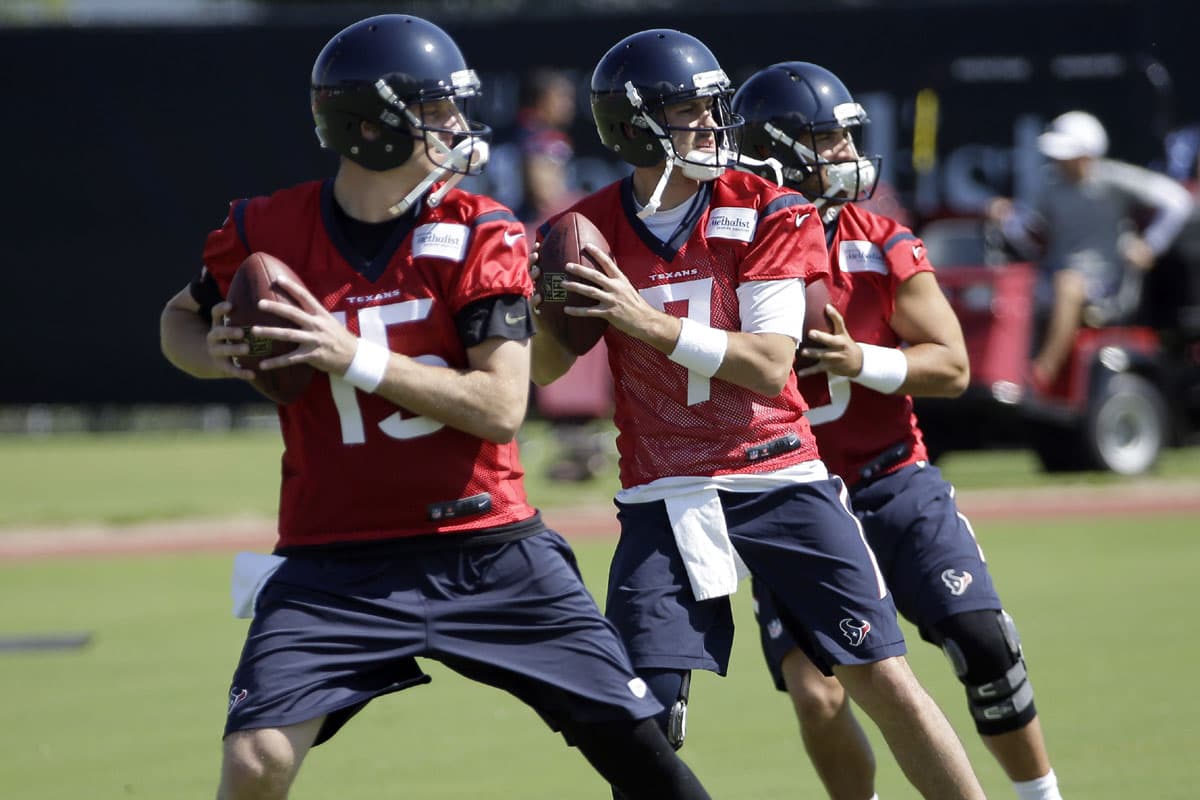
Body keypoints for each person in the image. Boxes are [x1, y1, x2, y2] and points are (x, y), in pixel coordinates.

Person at [158, 15, 714, 800]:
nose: (456, 125)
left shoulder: (480, 231)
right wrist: (214, 352)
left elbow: (500, 405)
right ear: (373, 126)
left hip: (486, 544)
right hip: (334, 557)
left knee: (641, 753)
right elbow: (179, 320)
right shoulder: (270, 229)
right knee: (256, 759)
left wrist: (346, 353)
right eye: (436, 109)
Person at [530, 29, 987, 800]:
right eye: (692, 111)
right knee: (641, 719)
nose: (714, 125)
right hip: (663, 495)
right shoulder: (588, 228)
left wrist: (641, 321)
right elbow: (546, 370)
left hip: (778, 476)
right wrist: (547, 316)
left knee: (885, 680)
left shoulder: (768, 207)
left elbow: (770, 362)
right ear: (638, 126)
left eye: (714, 108)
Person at [733, 60, 1065, 800]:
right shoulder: (730, 251)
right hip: (792, 494)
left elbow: (952, 366)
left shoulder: (878, 241)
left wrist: (863, 360)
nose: (849, 155)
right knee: (817, 695)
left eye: (848, 137)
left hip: (890, 477)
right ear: (777, 152)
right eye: (829, 140)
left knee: (984, 644)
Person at [987, 110, 1193, 390]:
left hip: (1106, 287)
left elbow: (1178, 200)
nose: (1059, 161)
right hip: (1050, 278)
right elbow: (1026, 231)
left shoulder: (1114, 179)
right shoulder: (1049, 185)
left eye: (1067, 155)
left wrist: (1150, 245)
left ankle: (1041, 375)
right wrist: (1007, 218)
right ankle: (997, 369)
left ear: (1086, 155)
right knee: (1011, 286)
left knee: (1068, 284)